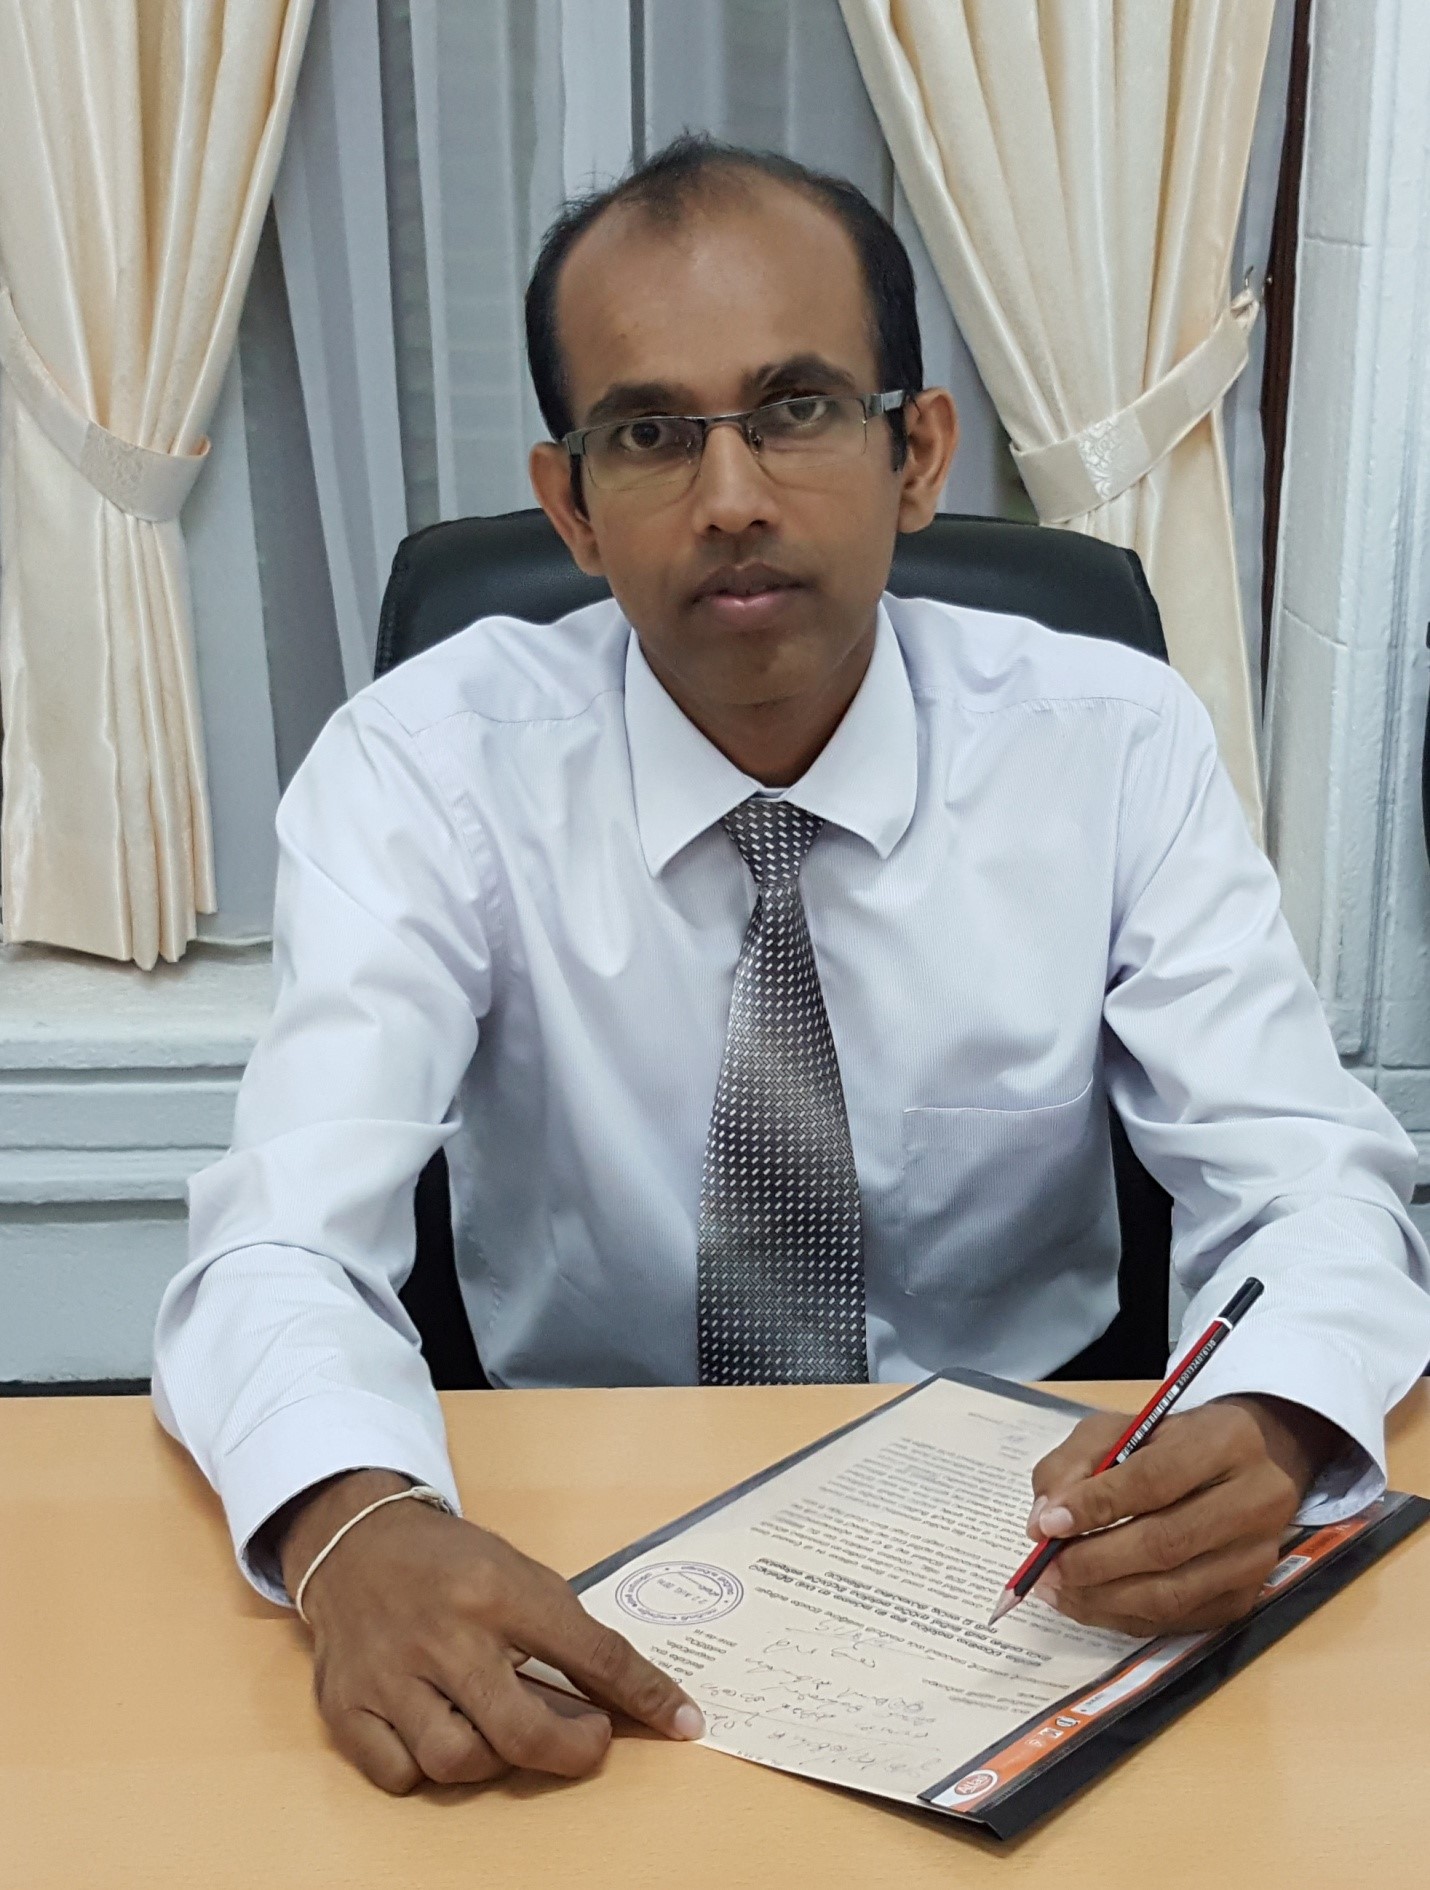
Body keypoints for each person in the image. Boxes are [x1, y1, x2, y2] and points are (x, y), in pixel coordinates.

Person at [154, 136, 1430, 1796]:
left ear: (918, 453)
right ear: (570, 507)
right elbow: (277, 1234)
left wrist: (1265, 1420)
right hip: (569, 1526)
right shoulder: (420, 769)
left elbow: (1308, 1178)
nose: (731, 496)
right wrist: (350, 1524)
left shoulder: (1112, 744)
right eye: (648, 434)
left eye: (799, 407)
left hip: (1033, 1535)